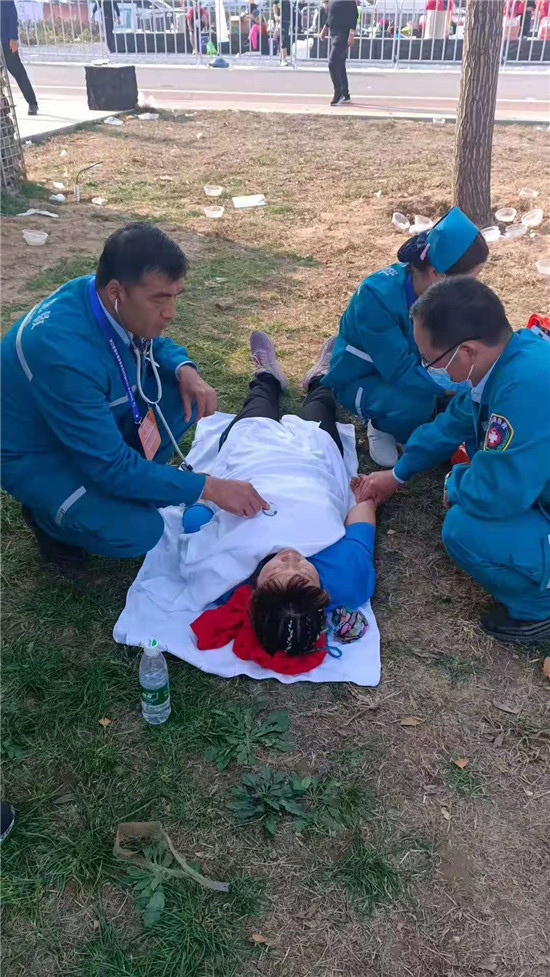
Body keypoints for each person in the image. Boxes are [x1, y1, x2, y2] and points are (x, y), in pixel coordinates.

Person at [0, 224, 267, 569]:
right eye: (159, 298)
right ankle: (49, 520)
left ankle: (136, 483)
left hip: (83, 425)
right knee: (140, 531)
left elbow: (151, 340)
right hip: (39, 454)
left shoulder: (102, 295)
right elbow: (109, 466)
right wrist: (210, 488)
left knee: (179, 393)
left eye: (175, 296)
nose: (170, 312)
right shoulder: (62, 355)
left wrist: (184, 368)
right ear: (116, 291)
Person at [354, 277, 550, 645]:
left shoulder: (527, 387)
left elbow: (497, 493)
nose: (427, 367)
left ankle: (540, 608)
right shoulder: (507, 359)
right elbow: (449, 425)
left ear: (467, 352)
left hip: (525, 494)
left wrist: (455, 482)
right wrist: (396, 475)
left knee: (465, 529)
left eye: (430, 360)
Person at [190, 331, 377, 671]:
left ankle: (267, 375)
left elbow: (196, 524)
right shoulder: (348, 577)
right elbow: (362, 510)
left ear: (255, 593)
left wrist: (206, 501)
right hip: (313, 462)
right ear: (321, 597)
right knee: (320, 406)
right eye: (304, 578)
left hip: (251, 459)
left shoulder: (223, 576)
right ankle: (320, 377)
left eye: (275, 574)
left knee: (259, 403)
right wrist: (363, 492)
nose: (290, 559)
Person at [322, 207, 489, 467]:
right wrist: (450, 384)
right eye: (468, 280)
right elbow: (399, 370)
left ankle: (422, 418)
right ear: (436, 274)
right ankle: (380, 424)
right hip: (364, 377)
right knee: (416, 406)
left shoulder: (439, 293)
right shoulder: (376, 296)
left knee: (468, 397)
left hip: (417, 369)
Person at [1, 1, 38, 116]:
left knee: (18, 72)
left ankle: (32, 102)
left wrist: (13, 38)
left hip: (5, 42)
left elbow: (12, 16)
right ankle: (3, 106)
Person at [319, 0, 357, 106]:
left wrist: (351, 34)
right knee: (340, 64)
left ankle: (338, 93)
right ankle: (345, 94)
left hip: (343, 33)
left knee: (332, 63)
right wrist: (325, 28)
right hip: (334, 32)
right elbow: (332, 14)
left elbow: (354, 15)